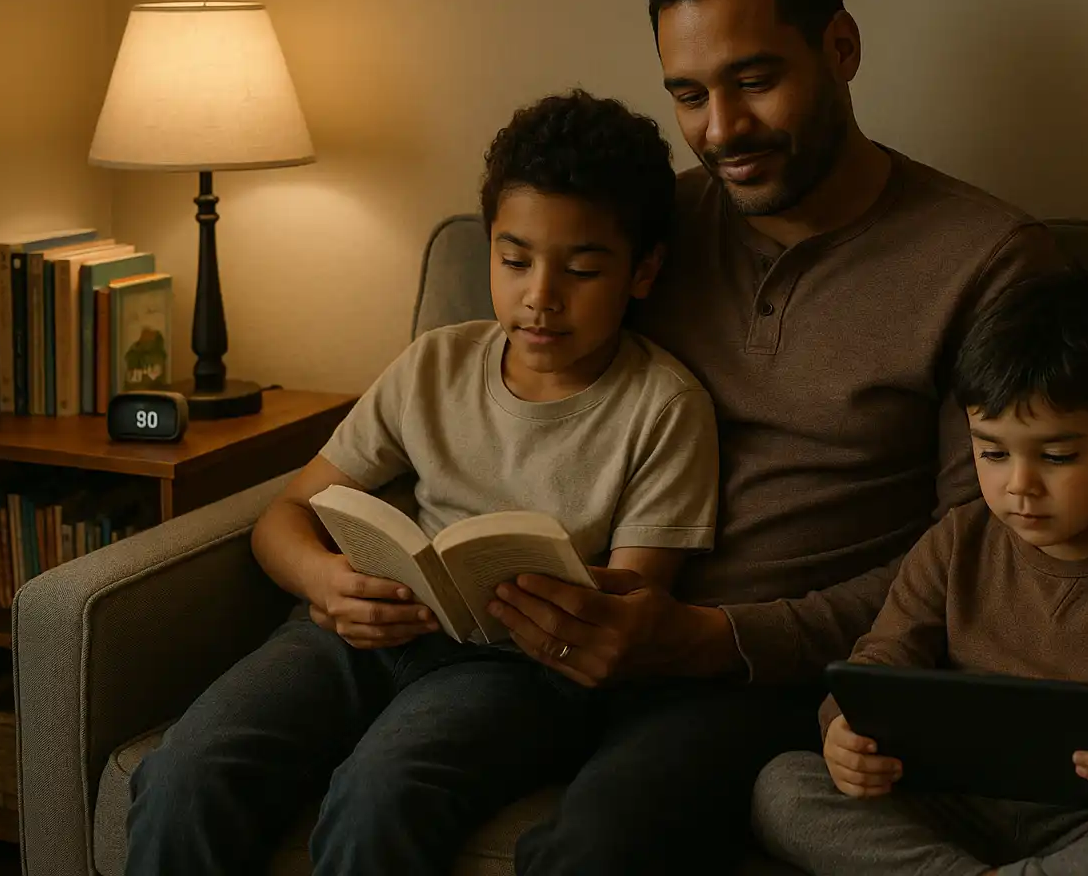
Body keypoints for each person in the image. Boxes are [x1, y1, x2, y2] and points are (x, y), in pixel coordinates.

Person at [490, 0, 1068, 874]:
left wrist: (710, 638)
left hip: (777, 680)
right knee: (343, 773)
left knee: (596, 846)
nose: (721, 131)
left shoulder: (986, 264)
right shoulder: (653, 229)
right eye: (688, 94)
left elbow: (986, 558)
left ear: (840, 48)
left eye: (754, 82)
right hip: (579, 627)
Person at [124, 90, 720, 874]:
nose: (540, 296)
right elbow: (286, 514)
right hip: (361, 632)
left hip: (516, 671)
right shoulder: (437, 365)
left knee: (380, 795)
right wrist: (327, 582)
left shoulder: (664, 407)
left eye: (580, 268)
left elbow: (631, 613)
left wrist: (558, 607)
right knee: (185, 770)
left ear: (642, 270)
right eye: (514, 261)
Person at [753, 270, 1088, 876]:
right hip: (944, 800)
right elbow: (880, 664)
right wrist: (843, 730)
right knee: (784, 785)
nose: (1019, 486)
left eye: (1057, 457)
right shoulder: (958, 540)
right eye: (993, 452)